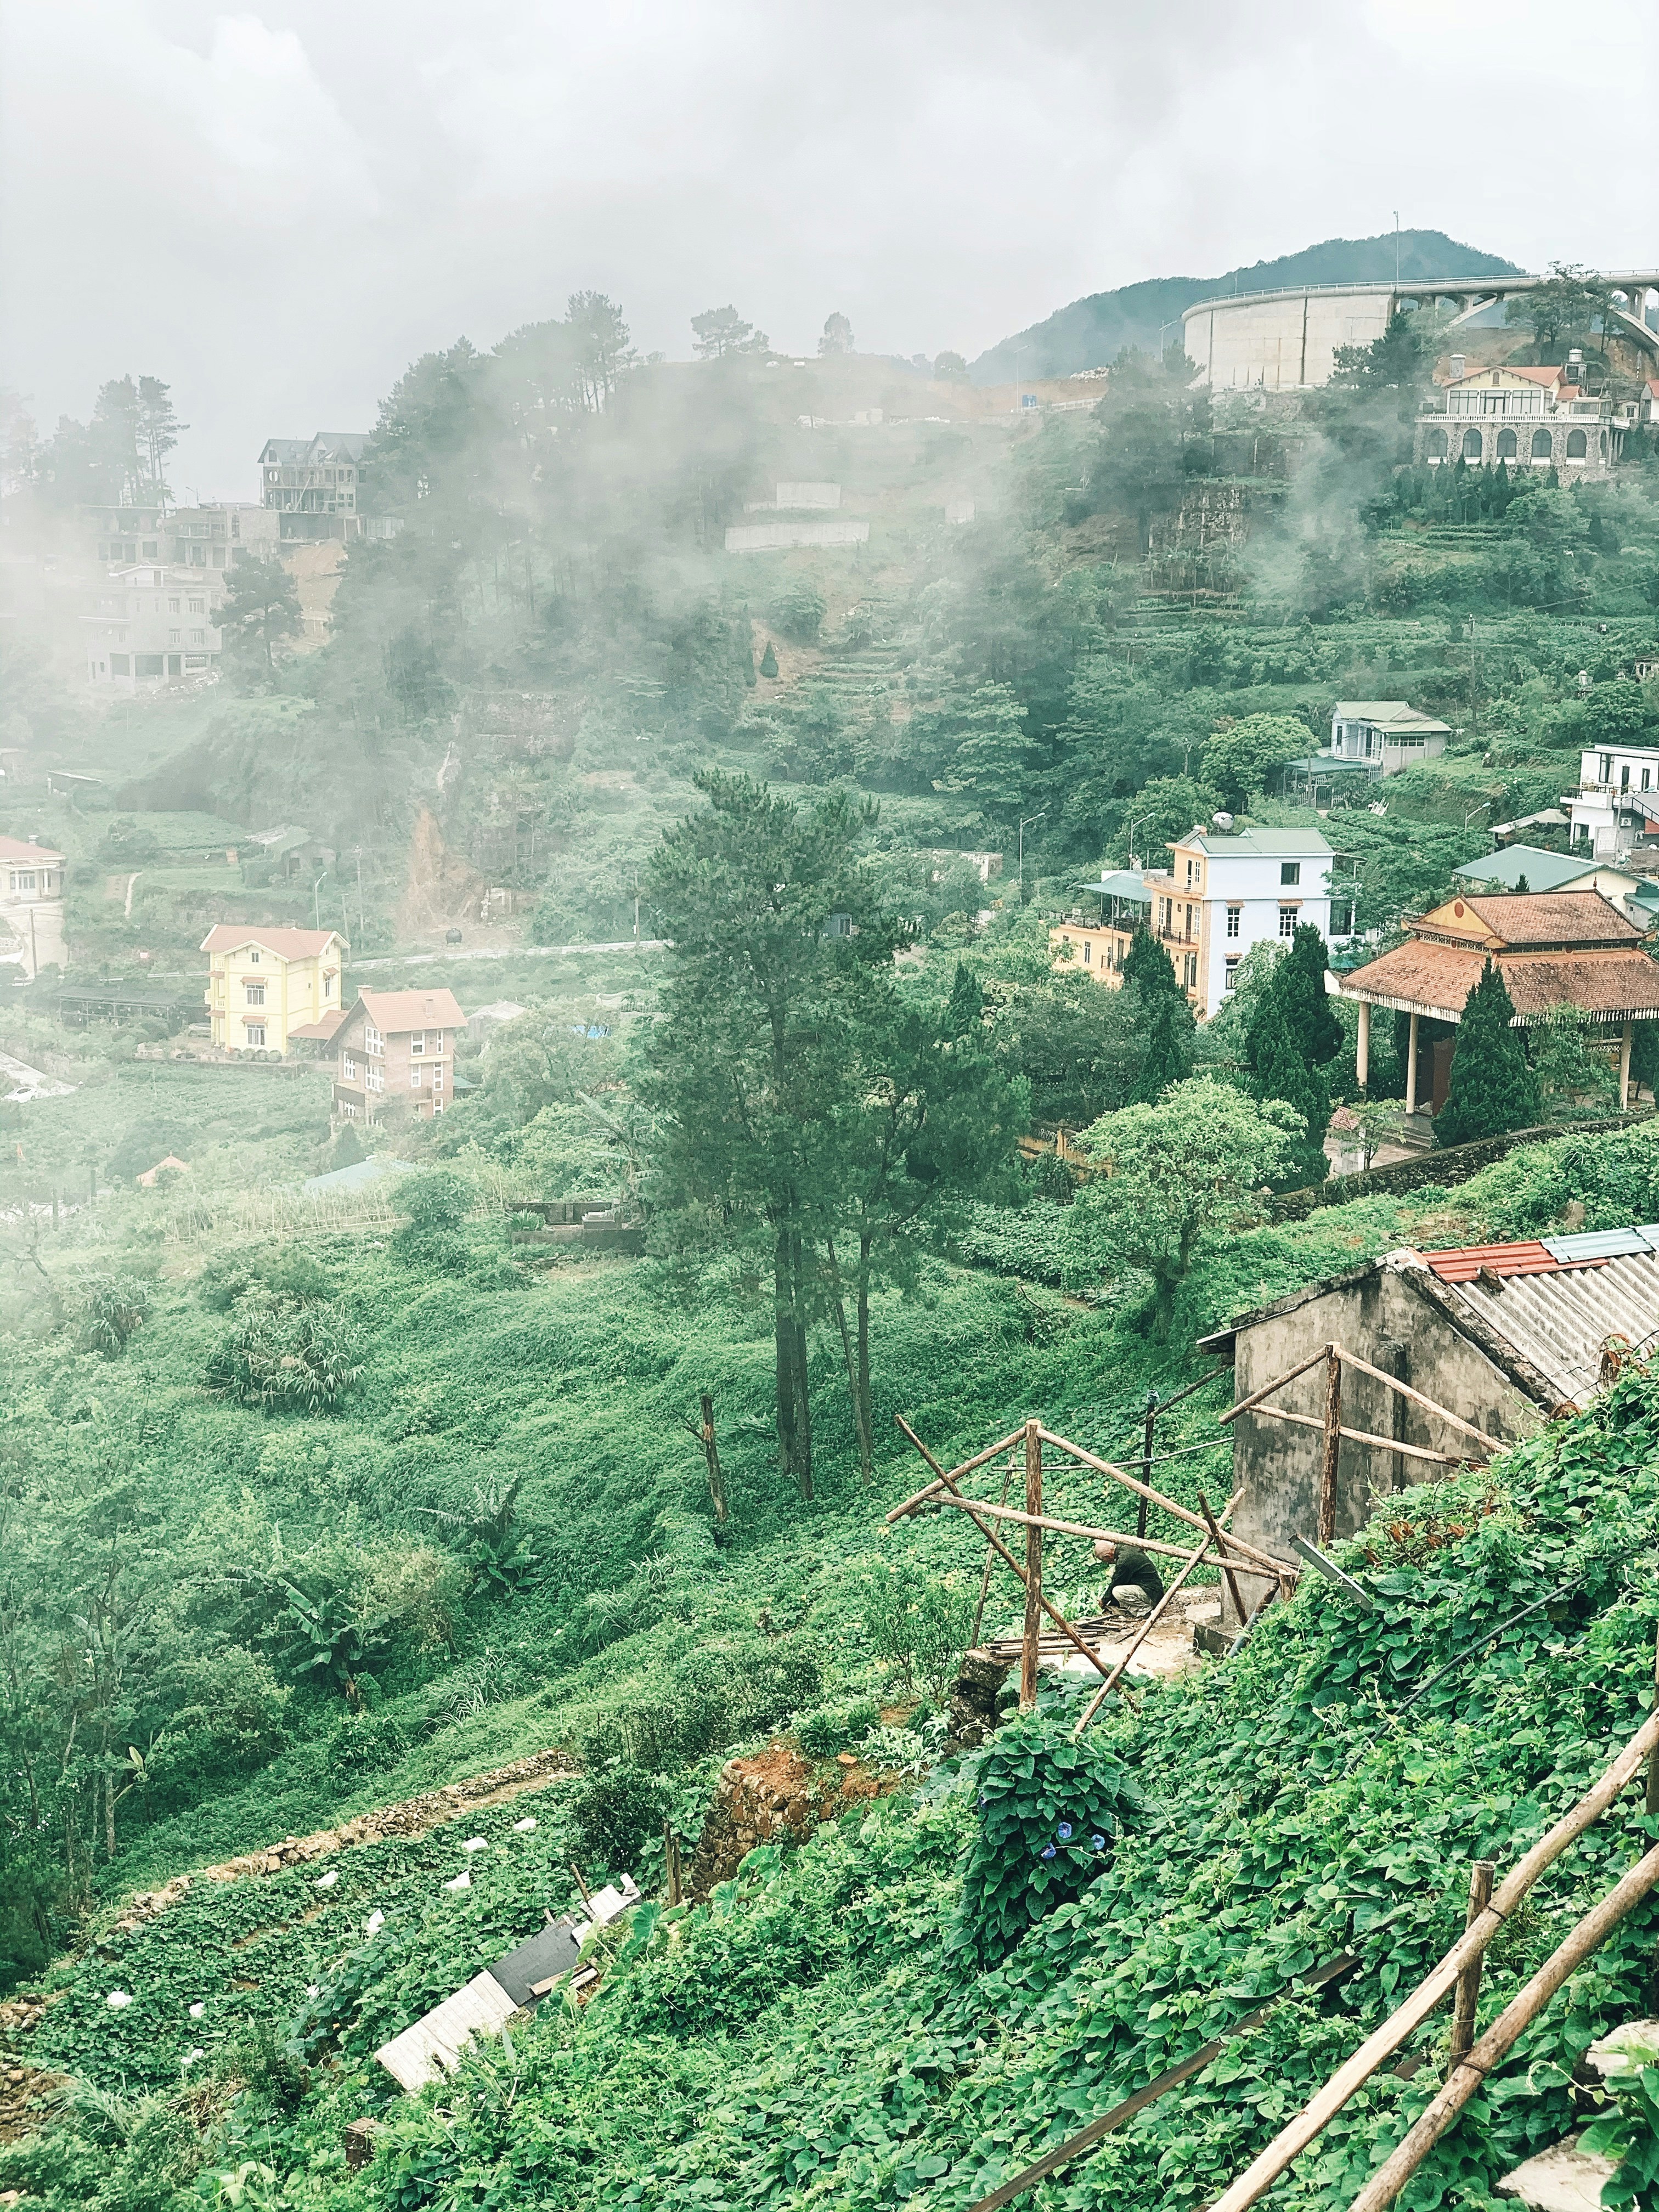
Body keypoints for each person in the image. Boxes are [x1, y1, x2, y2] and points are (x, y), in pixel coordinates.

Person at [1093, 1536, 1165, 1609]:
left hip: (1152, 1595)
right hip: (1154, 1589)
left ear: (1108, 1556)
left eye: (1104, 1560)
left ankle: (1145, 1610)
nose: (1106, 1563)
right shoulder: (1126, 1547)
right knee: (1114, 1572)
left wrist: (1104, 1601)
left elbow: (1116, 1583)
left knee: (1118, 1591)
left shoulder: (1124, 1562)